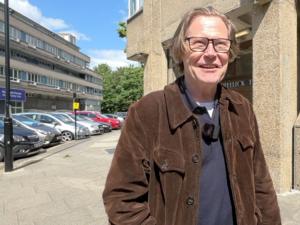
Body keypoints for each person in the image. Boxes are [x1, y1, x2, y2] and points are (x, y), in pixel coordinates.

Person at [103, 6, 281, 225]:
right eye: (199, 42)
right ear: (181, 49)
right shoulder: (147, 112)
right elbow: (122, 201)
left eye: (220, 44)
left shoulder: (242, 107)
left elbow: (261, 185)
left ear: (230, 52)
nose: (210, 53)